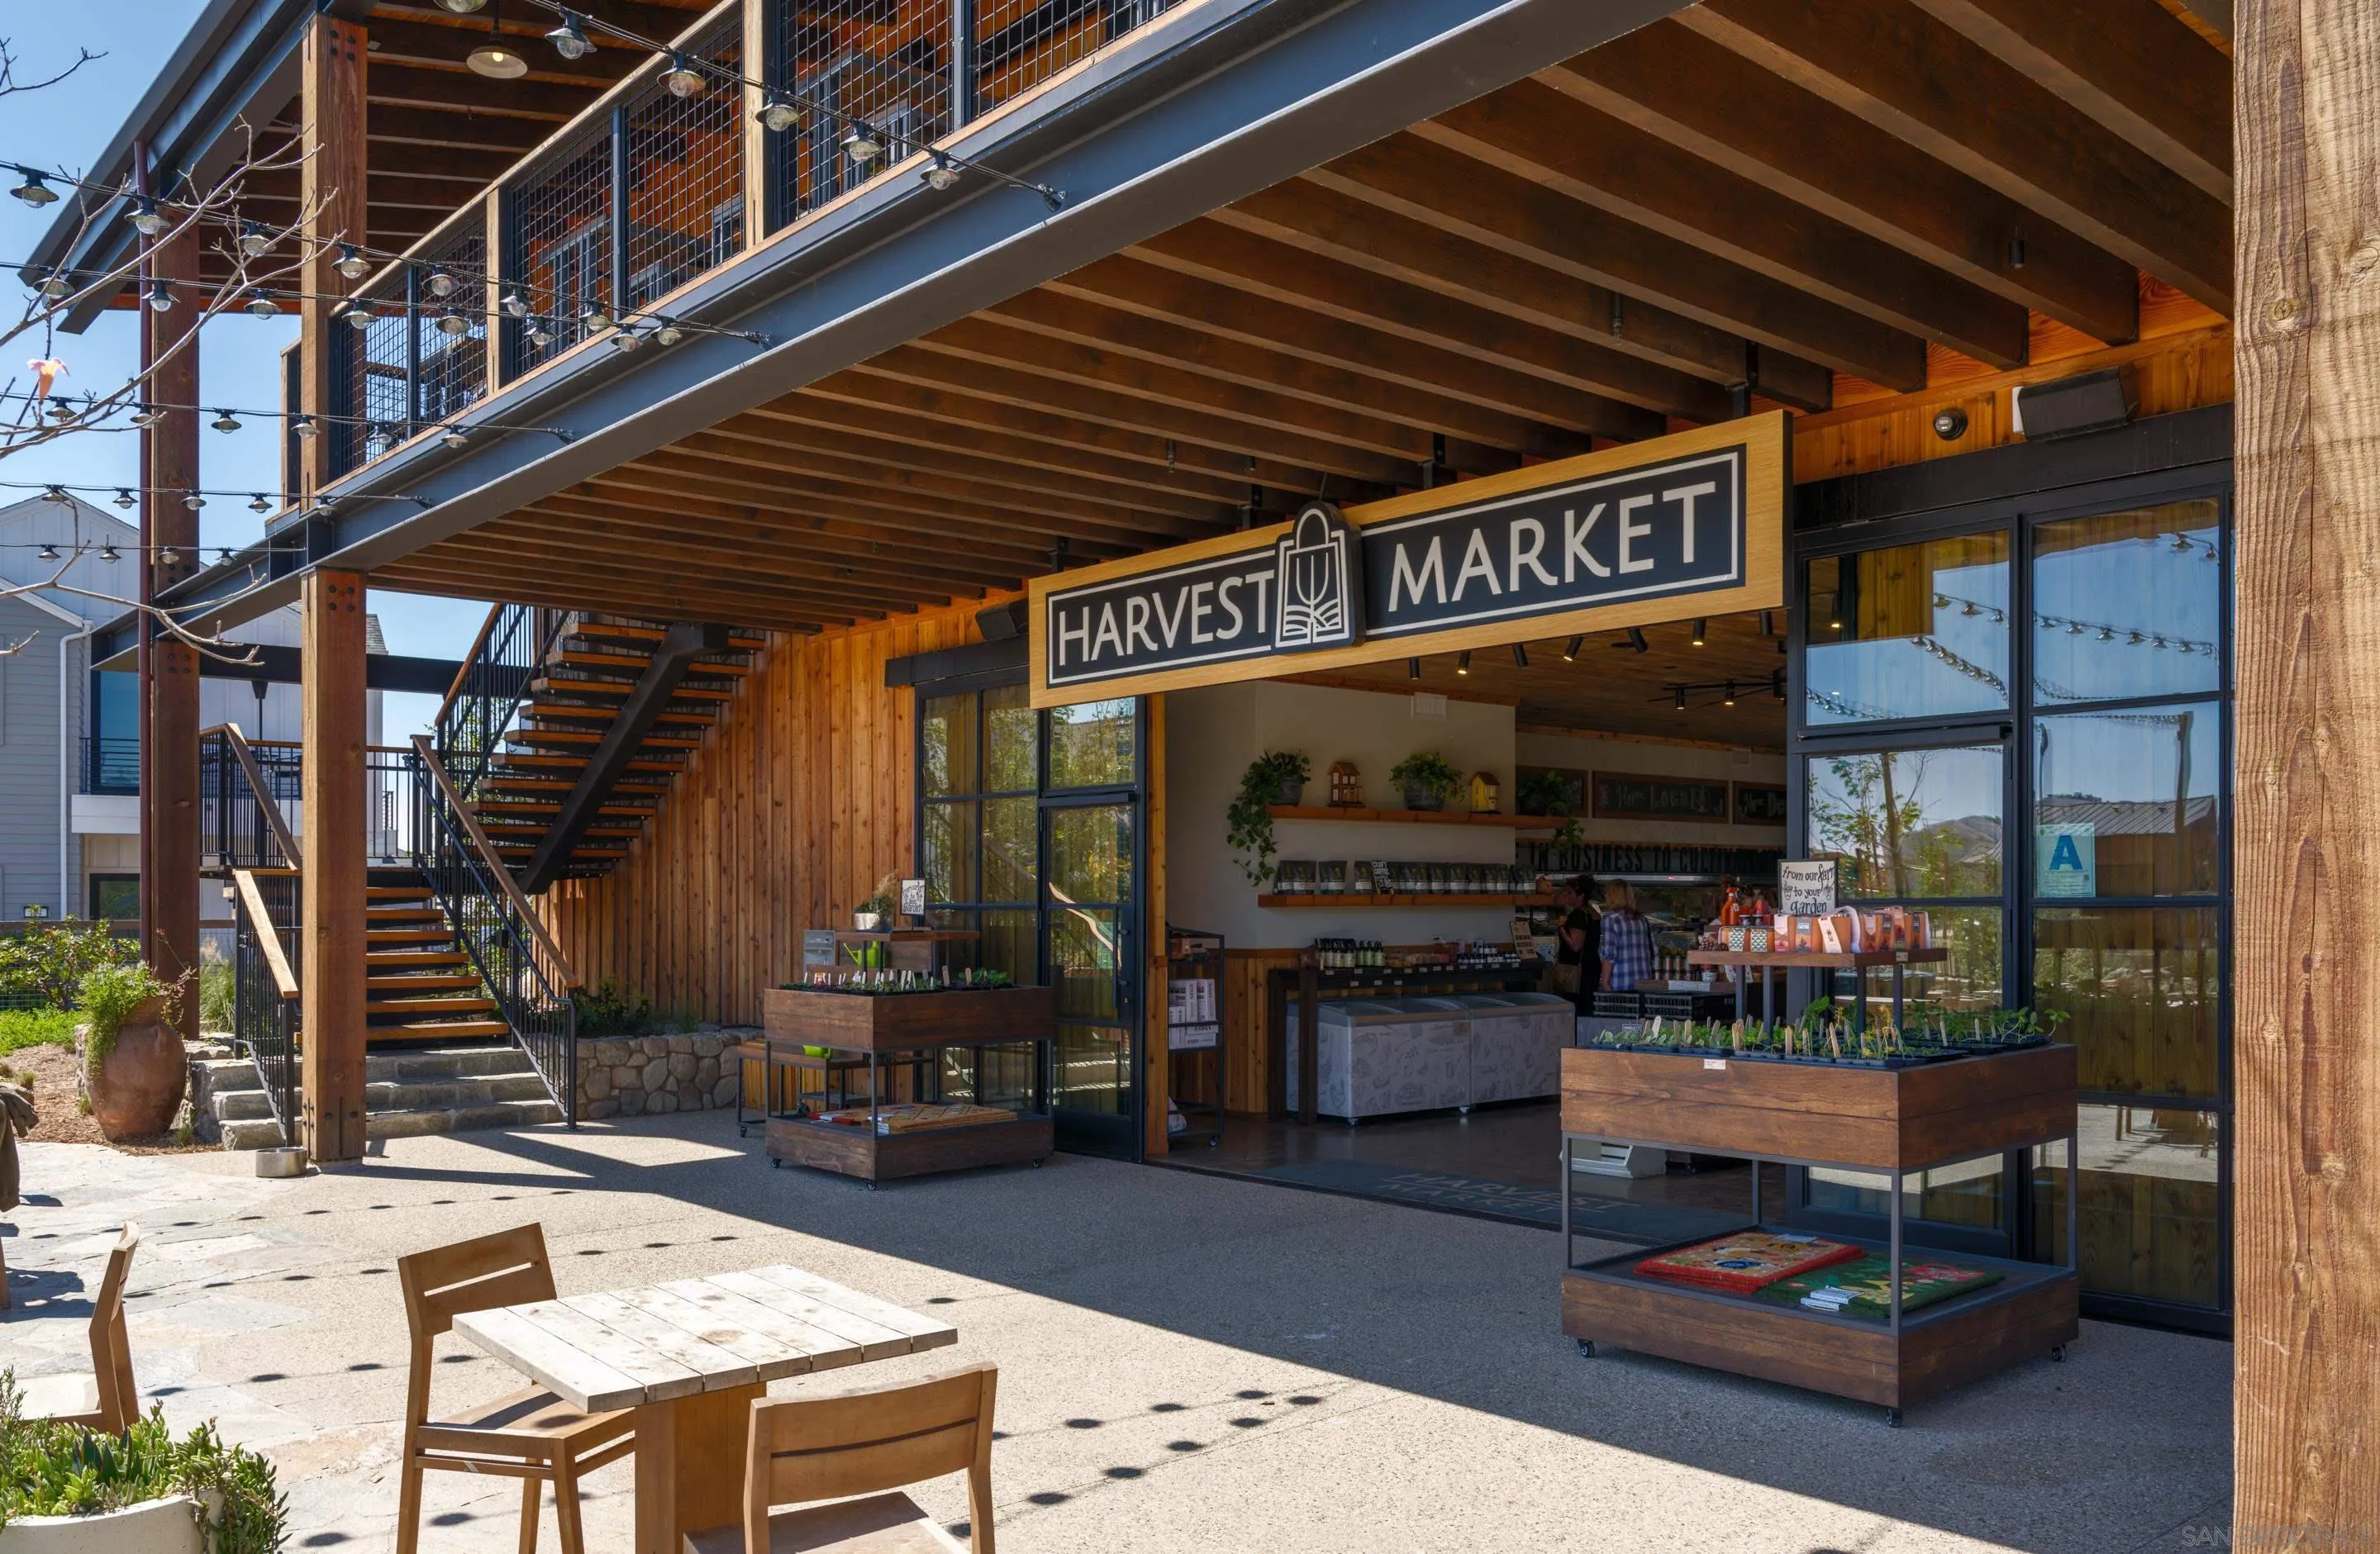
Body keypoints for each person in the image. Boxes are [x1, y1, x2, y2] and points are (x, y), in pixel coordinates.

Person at [1599, 878, 1654, 994]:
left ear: (1612, 896)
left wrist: (1604, 982)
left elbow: (1609, 954)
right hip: (1643, 982)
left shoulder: (1610, 919)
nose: (1605, 896)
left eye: (1607, 893)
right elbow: (1653, 950)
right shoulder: (1642, 920)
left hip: (1620, 983)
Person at [1551, 876, 1599, 1002]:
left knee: (1574, 1004)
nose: (1567, 896)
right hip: (1591, 966)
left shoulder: (1578, 915)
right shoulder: (1593, 913)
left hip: (1576, 971)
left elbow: (1575, 945)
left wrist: (1561, 927)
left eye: (1570, 893)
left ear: (1581, 895)